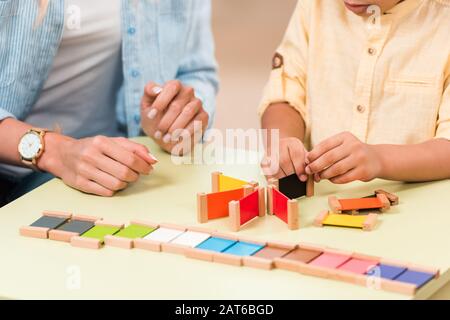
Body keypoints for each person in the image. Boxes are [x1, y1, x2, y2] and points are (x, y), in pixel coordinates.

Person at [0, 0, 218, 205]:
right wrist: (56, 152)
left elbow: (196, 72)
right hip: (13, 171)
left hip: (115, 170)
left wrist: (177, 119)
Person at [260, 0, 450, 184]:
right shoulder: (315, 6)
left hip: (420, 209)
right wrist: (283, 143)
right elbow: (285, 93)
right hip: (320, 204)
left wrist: (379, 159)